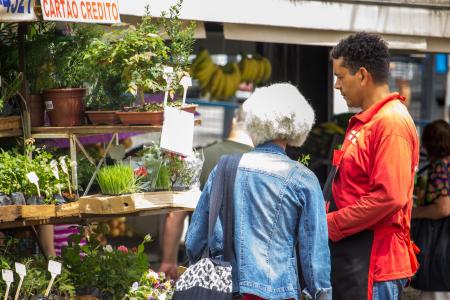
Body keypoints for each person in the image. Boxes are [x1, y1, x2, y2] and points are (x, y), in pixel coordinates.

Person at [186, 83, 331, 300]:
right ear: (298, 126)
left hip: (226, 290)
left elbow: (194, 242)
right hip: (280, 292)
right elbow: (314, 257)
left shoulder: (224, 167)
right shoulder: (303, 179)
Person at [327, 32, 420, 300]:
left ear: (363, 75)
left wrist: (330, 223)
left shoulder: (390, 123)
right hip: (358, 258)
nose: (336, 85)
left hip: (375, 265)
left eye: (341, 76)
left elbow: (389, 196)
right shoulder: (371, 120)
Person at [158, 111, 253, 279]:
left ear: (232, 121)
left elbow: (175, 216)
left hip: (201, 270)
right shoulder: (265, 166)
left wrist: (169, 260)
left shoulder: (200, 157)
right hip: (247, 273)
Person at [411, 120, 450, 300]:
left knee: (436, 293)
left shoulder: (440, 167)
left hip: (439, 245)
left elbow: (443, 207)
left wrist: (414, 213)